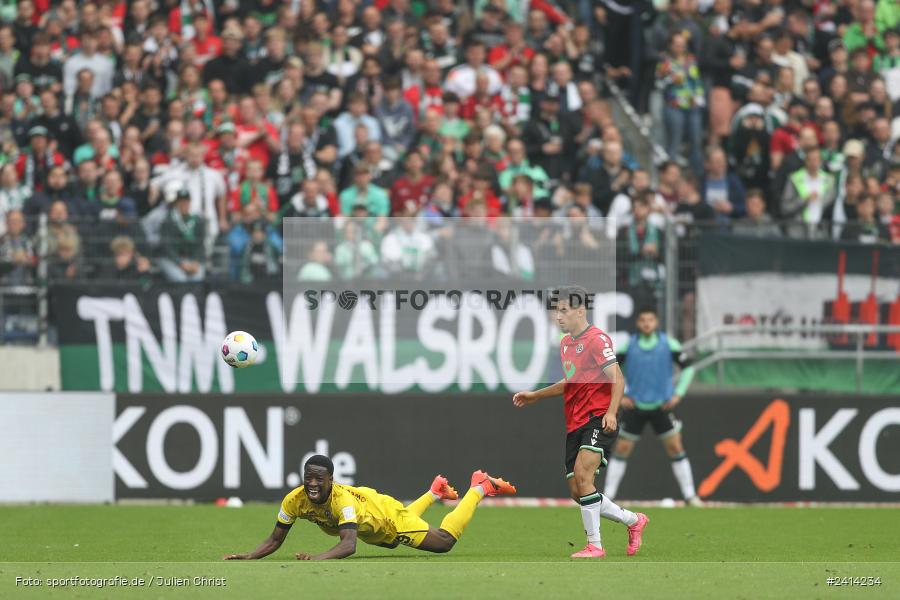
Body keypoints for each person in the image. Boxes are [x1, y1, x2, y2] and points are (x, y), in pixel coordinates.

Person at [513, 285, 648, 559]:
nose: (557, 317)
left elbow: (617, 378)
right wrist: (536, 395)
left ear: (580, 310)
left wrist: (611, 412)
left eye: (563, 311)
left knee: (584, 477)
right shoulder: (566, 344)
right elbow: (571, 382)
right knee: (578, 491)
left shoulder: (597, 340)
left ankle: (595, 546)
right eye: (555, 311)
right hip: (575, 422)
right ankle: (634, 521)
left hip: (598, 417)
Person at [222, 455, 515, 560]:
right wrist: (249, 556)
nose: (312, 484)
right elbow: (275, 538)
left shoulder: (342, 501)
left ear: (331, 480)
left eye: (319, 479)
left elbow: (348, 545)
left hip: (385, 514)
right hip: (370, 515)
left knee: (443, 543)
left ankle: (479, 487)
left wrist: (317, 558)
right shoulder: (293, 500)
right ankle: (434, 492)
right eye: (308, 478)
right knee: (388, 544)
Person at [602, 306, 702, 507]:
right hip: (634, 407)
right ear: (638, 323)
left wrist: (678, 394)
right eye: (643, 320)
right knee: (621, 448)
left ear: (656, 323)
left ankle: (691, 497)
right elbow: (607, 371)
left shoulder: (669, 344)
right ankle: (608, 497)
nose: (647, 323)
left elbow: (688, 368)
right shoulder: (627, 346)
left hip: (661, 407)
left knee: (675, 447)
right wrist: (620, 397)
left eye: (650, 320)